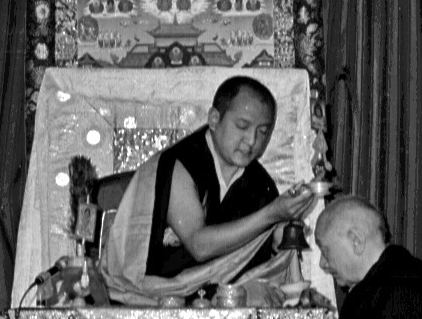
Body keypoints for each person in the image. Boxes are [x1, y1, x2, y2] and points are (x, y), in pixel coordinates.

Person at [104, 76, 315, 302]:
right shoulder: (180, 163)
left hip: (222, 300)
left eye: (263, 132)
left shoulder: (261, 185)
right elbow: (198, 245)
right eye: (242, 126)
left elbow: (261, 261)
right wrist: (272, 214)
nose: (252, 140)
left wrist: (283, 233)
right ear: (214, 119)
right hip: (156, 299)